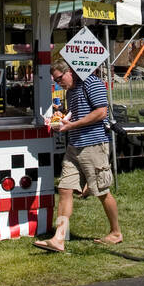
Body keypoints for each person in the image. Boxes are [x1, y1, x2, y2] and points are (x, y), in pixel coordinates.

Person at [34, 62, 121, 252]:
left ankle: (116, 232)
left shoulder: (92, 83)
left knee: (102, 191)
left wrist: (71, 126)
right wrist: (61, 118)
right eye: (55, 80)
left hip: (93, 145)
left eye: (59, 78)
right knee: (65, 189)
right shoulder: (70, 92)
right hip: (74, 146)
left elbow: (101, 112)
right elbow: (75, 116)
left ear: (70, 71)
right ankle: (59, 238)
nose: (58, 83)